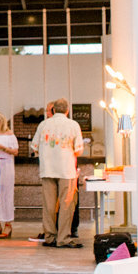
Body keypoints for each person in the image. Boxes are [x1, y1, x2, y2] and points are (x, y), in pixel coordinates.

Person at [30, 97, 83, 248]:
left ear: (53, 110)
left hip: (47, 169)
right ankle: (63, 238)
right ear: (67, 110)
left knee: (49, 205)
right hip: (66, 170)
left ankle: (50, 236)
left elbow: (34, 147)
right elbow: (78, 149)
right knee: (66, 205)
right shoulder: (73, 125)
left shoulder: (44, 124)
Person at [0, 111, 19, 238]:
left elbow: (15, 151)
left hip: (6, 165)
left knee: (6, 193)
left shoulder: (9, 134)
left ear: (2, 122)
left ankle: (8, 223)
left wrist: (3, 148)